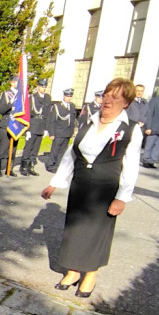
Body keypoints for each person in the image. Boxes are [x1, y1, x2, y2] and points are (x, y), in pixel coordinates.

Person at [41, 78, 142, 298]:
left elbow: (131, 166)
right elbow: (72, 153)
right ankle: (73, 271)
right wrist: (55, 183)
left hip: (106, 188)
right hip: (81, 183)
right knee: (75, 228)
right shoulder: (88, 122)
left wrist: (122, 197)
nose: (108, 100)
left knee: (96, 232)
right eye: (107, 94)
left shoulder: (130, 129)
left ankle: (90, 275)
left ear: (126, 102)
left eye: (115, 97)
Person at [21, 79, 51, 176]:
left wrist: (46, 129)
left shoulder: (47, 97)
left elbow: (47, 114)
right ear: (37, 87)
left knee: (35, 149)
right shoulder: (32, 97)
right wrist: (28, 129)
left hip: (41, 126)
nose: (43, 88)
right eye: (42, 86)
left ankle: (31, 167)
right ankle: (24, 167)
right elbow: (28, 113)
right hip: (33, 124)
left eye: (45, 86)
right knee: (28, 147)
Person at [46, 88, 77, 172]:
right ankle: (51, 165)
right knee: (55, 150)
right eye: (67, 96)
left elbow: (72, 121)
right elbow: (52, 121)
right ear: (64, 96)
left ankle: (58, 165)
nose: (69, 98)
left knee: (63, 151)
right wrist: (51, 133)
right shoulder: (57, 107)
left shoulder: (72, 106)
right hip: (58, 132)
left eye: (70, 96)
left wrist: (71, 133)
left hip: (67, 133)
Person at [0, 76, 20, 176]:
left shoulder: (21, 96)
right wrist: (10, 103)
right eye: (17, 82)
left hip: (17, 124)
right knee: (3, 147)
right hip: (7, 123)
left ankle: (10, 168)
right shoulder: (5, 94)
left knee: (13, 149)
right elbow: (2, 110)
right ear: (12, 83)